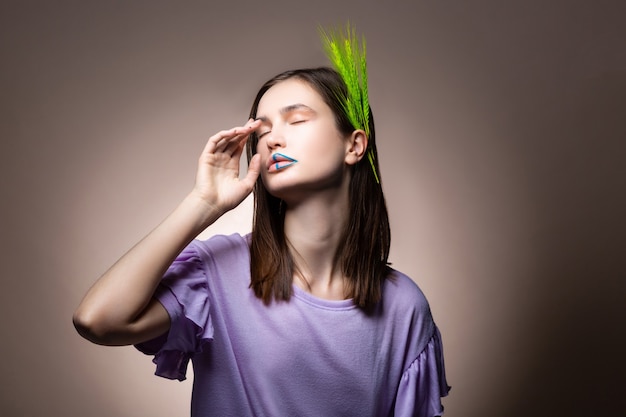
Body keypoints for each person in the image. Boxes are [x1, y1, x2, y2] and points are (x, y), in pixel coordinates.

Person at [73, 64, 450, 415]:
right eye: (263, 130)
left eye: (297, 119)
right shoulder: (216, 273)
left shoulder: (405, 307)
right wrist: (203, 203)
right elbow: (98, 320)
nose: (273, 139)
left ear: (354, 145)